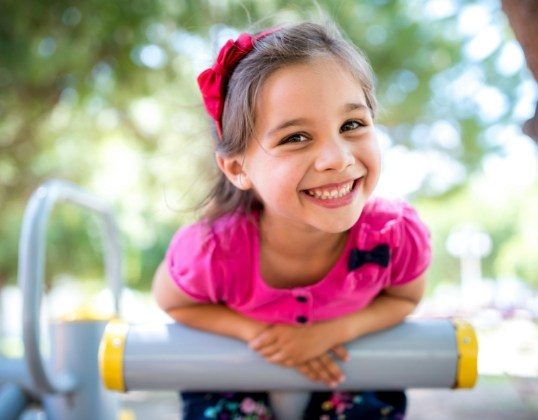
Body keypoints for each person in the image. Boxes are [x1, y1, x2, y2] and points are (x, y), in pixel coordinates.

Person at [152, 21, 431, 420]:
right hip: (235, 380)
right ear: (237, 167)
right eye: (295, 137)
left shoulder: (394, 237)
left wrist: (332, 332)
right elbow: (173, 302)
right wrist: (258, 336)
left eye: (351, 125)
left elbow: (405, 298)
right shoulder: (211, 251)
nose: (336, 158)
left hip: (345, 372)